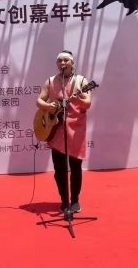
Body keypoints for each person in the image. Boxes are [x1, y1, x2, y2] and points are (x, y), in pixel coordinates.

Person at [36, 50, 92, 213]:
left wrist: (77, 98)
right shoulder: (51, 81)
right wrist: (48, 106)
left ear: (72, 63)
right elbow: (39, 101)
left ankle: (75, 201)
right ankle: (64, 200)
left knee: (75, 168)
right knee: (59, 170)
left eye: (66, 60)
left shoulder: (81, 81)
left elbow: (87, 103)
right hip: (56, 130)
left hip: (76, 129)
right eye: (59, 60)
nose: (62, 63)